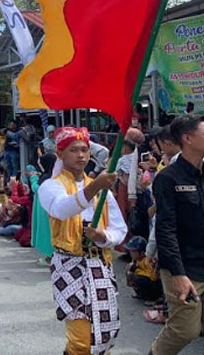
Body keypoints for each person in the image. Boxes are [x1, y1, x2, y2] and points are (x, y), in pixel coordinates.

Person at [38, 127, 127, 355]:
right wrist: (96, 186)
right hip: (69, 266)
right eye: (73, 150)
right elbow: (61, 209)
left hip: (99, 265)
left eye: (84, 150)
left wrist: (103, 237)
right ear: (60, 154)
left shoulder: (100, 188)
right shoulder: (51, 186)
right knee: (80, 338)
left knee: (104, 335)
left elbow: (119, 228)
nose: (80, 155)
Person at [150, 115, 204, 355]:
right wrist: (177, 273)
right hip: (184, 267)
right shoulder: (168, 178)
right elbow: (165, 228)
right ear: (188, 138)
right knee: (184, 330)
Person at [31, 154, 56, 263]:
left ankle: (50, 257)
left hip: (44, 210)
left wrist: (33, 179)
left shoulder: (47, 178)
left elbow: (38, 189)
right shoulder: (52, 175)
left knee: (47, 231)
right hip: (46, 208)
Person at [125, 236, 162, 302]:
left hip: (155, 285)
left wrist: (135, 270)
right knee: (130, 272)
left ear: (141, 253)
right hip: (146, 279)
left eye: (133, 251)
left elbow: (152, 277)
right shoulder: (136, 260)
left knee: (138, 278)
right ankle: (140, 293)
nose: (131, 253)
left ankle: (151, 298)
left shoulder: (147, 260)